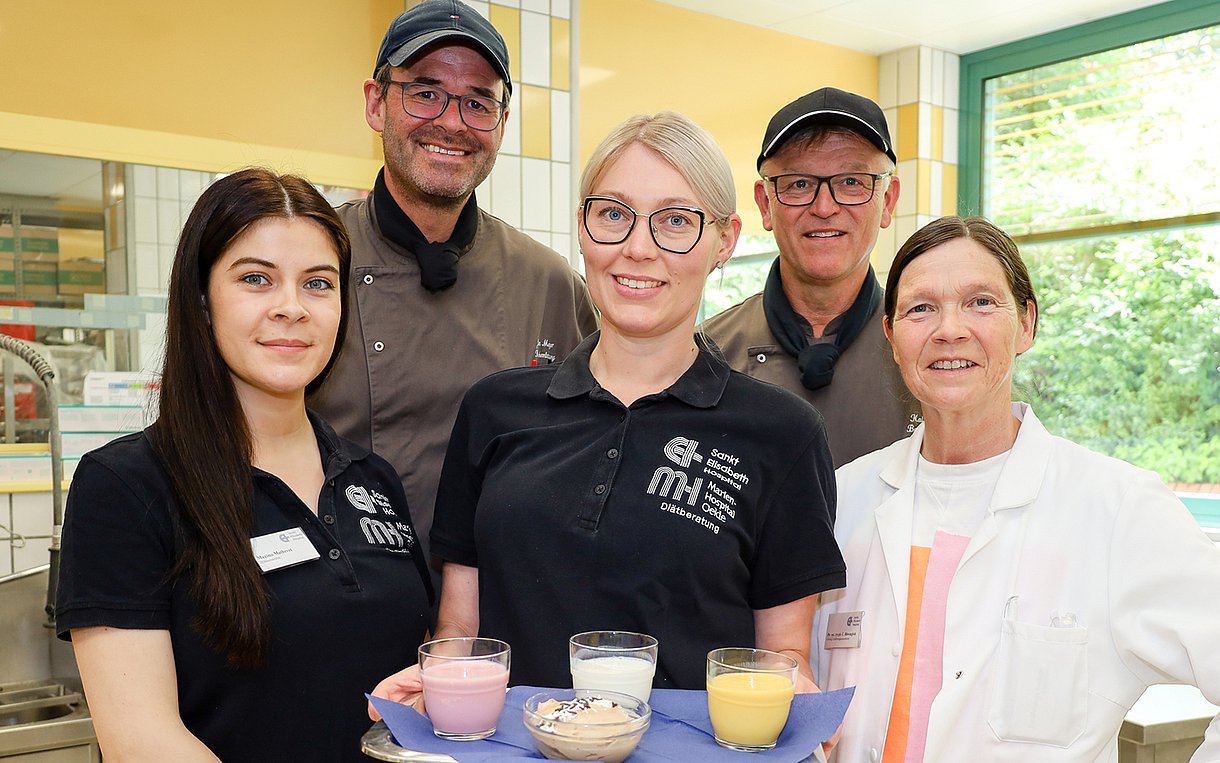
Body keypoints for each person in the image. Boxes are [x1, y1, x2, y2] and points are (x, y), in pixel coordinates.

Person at [371, 112, 845, 707]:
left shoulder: (781, 434)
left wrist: (798, 708)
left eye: (675, 220)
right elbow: (460, 635)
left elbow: (781, 658)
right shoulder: (495, 409)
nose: (638, 248)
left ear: (724, 240)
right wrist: (427, 687)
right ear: (583, 227)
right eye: (614, 215)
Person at [55, 169, 433, 763]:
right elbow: (141, 740)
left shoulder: (372, 479)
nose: (291, 308)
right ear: (202, 300)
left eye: (318, 283)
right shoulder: (128, 486)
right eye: (256, 279)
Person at [813, 215, 1220, 762]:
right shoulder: (844, 501)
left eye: (981, 302)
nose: (949, 329)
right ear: (891, 336)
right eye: (920, 308)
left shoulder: (1118, 511)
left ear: (1026, 324)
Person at [309, 0, 598, 571]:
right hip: (335, 607)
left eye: (477, 102)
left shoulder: (548, 281)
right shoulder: (312, 259)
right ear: (376, 102)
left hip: (497, 619)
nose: (452, 121)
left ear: (503, 122)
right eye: (424, 91)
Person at [702, 87, 916, 468]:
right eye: (799, 183)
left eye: (852, 181)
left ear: (888, 201)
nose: (824, 207)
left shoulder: (925, 350)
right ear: (765, 205)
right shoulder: (702, 356)